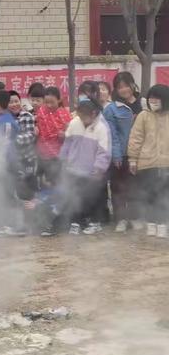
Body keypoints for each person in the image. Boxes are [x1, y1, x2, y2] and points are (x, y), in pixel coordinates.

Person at [59, 100, 111, 235]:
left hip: (92, 171)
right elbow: (67, 144)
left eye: (84, 118)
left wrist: (99, 169)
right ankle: (77, 222)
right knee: (75, 197)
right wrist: (63, 160)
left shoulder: (102, 127)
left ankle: (95, 222)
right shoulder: (75, 122)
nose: (82, 120)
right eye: (80, 117)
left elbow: (104, 151)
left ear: (93, 114)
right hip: (74, 168)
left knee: (93, 198)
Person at [128, 84, 169, 238]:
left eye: (156, 98)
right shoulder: (143, 116)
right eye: (151, 97)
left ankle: (163, 223)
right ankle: (151, 223)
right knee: (150, 194)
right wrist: (133, 159)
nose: (153, 101)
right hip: (147, 163)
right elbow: (136, 138)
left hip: (167, 164)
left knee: (165, 195)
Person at [103, 79, 137, 232]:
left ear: (132, 85)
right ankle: (121, 219)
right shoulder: (111, 108)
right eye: (119, 87)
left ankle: (134, 217)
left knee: (135, 188)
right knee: (118, 188)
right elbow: (112, 134)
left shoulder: (143, 103)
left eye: (126, 85)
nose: (124, 89)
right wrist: (116, 155)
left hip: (139, 154)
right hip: (121, 155)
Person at [0, 90, 22, 236]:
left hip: (6, 164)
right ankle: (0, 223)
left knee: (8, 194)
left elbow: (5, 145)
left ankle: (13, 226)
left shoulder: (8, 122)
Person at [36, 86, 71, 184]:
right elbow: (38, 126)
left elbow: (71, 134)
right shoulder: (41, 112)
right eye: (46, 102)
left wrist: (65, 134)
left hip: (58, 155)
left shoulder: (64, 114)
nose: (49, 105)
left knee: (57, 182)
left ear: (59, 100)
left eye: (52, 102)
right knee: (45, 182)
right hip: (43, 153)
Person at [8, 90, 38, 200]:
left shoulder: (27, 115)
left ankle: (30, 214)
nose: (14, 104)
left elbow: (31, 136)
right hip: (12, 161)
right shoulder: (6, 117)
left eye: (16, 101)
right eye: (11, 102)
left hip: (27, 159)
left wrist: (14, 140)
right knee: (13, 190)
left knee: (28, 191)